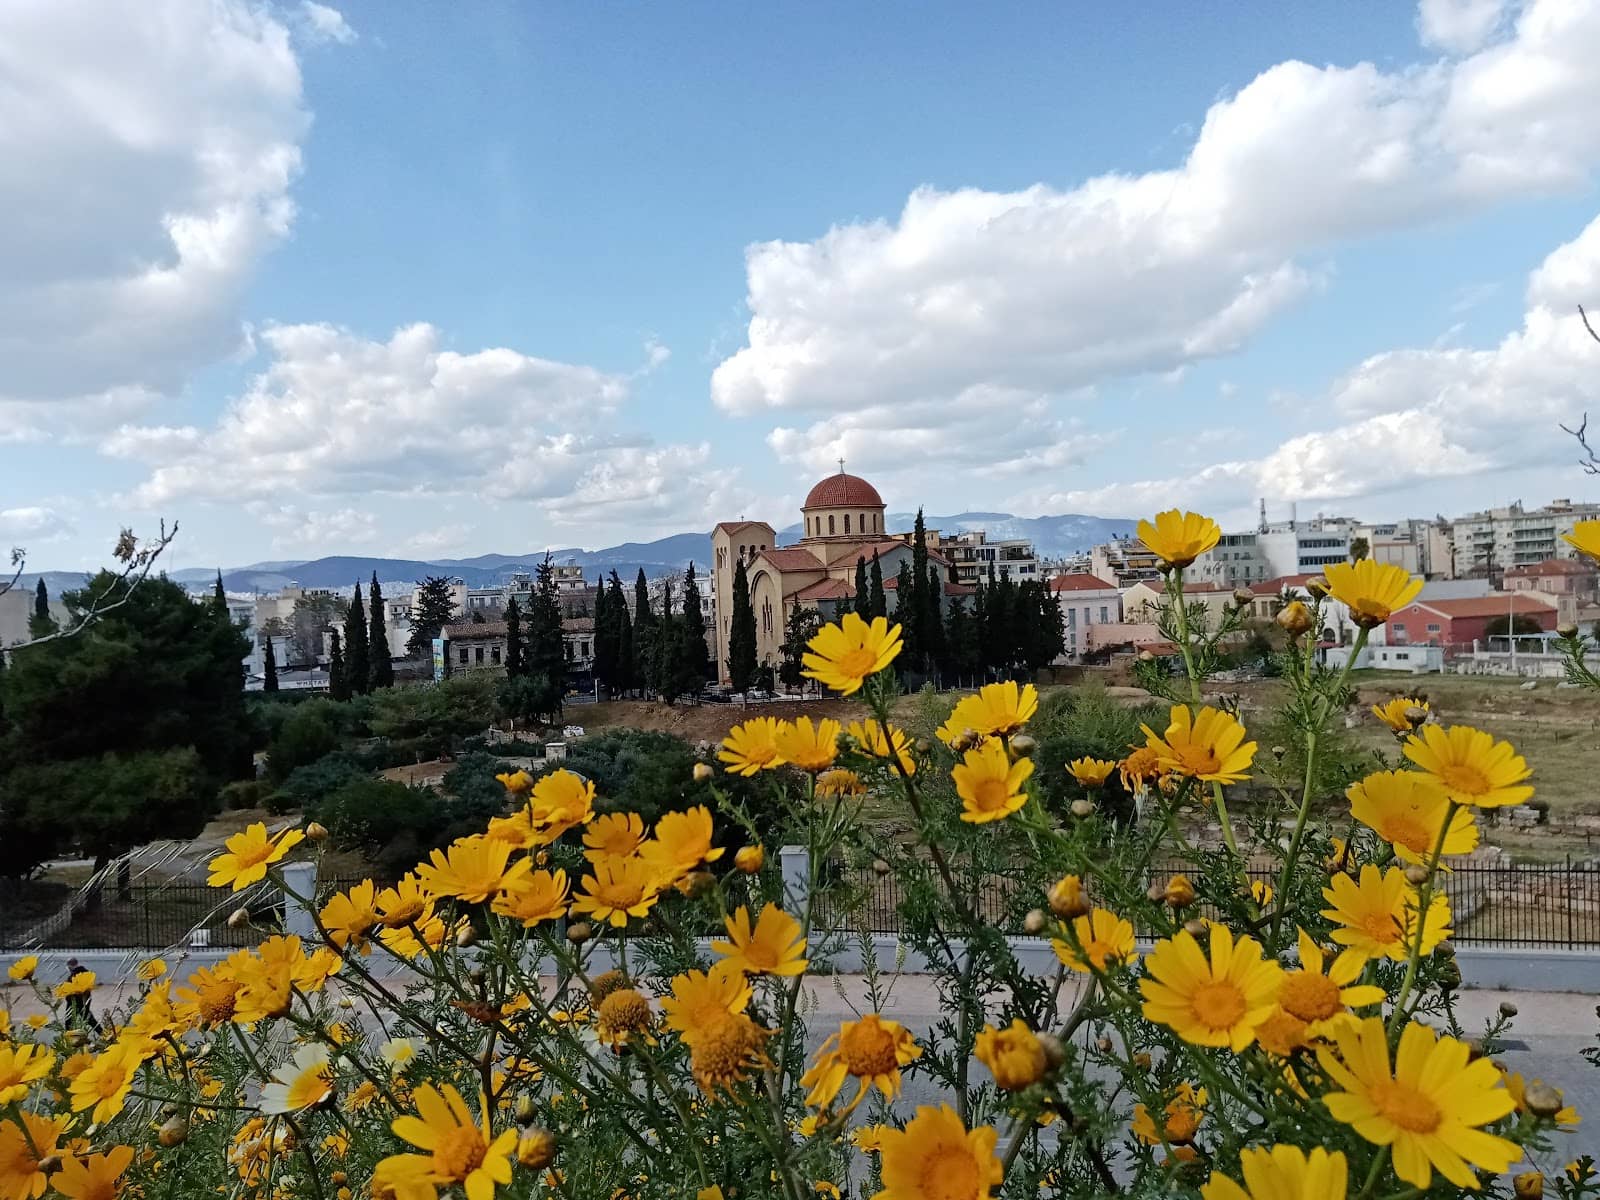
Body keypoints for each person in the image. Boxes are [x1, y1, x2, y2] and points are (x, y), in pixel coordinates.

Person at [63, 957, 101, 1033]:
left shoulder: (73, 975)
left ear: (69, 966)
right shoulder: (86, 973)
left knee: (69, 1022)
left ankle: (69, 1038)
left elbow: (69, 989)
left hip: (74, 1001)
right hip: (86, 999)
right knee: (89, 1019)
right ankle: (103, 1034)